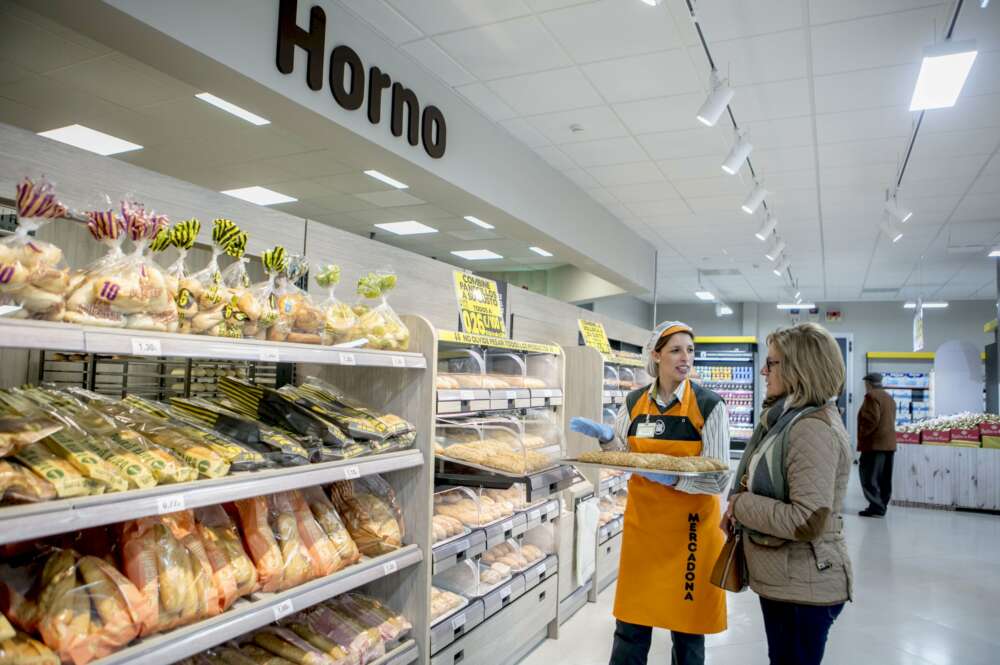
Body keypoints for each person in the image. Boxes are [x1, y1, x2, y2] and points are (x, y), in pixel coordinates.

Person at [570, 321, 730, 665]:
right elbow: (623, 455)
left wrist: (673, 479)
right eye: (675, 350)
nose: (685, 357)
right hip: (645, 529)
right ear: (656, 356)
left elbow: (718, 480)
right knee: (630, 626)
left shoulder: (709, 406)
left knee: (688, 631)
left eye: (690, 350)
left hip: (691, 533)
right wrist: (606, 439)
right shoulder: (633, 402)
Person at [721, 323, 853, 665]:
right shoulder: (789, 418)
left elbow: (806, 519)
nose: (764, 371)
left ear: (799, 369)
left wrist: (741, 504)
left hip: (804, 583)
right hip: (791, 579)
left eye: (773, 363)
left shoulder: (810, 428)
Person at [857, 372, 897, 517]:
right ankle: (881, 505)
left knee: (869, 476)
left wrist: (862, 435)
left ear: (868, 383)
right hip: (890, 444)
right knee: (884, 478)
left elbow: (870, 420)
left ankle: (876, 507)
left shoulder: (871, 396)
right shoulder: (889, 398)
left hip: (875, 445)